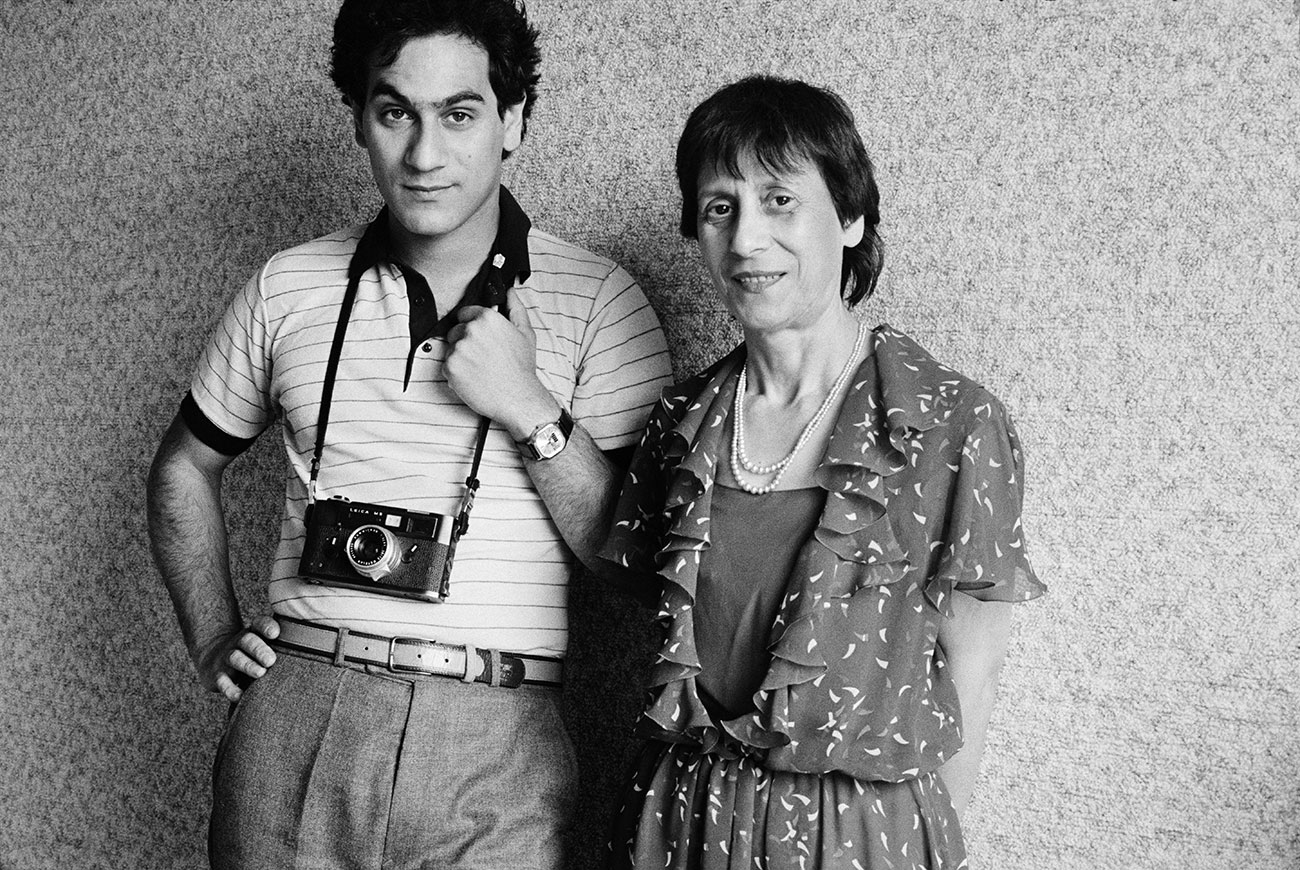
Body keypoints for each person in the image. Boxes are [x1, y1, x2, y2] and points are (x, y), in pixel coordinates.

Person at [146, 1, 672, 867]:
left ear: (513, 121)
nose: (424, 156)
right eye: (396, 112)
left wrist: (527, 405)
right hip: (298, 704)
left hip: (498, 729)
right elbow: (181, 471)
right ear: (359, 118)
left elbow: (634, 563)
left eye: (459, 115)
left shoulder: (602, 300)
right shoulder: (290, 286)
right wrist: (212, 637)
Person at [600, 75, 1045, 869]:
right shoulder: (679, 424)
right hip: (681, 823)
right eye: (720, 207)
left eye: (779, 200)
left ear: (850, 217)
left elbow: (971, 675)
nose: (745, 241)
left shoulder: (950, 423)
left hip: (861, 837)